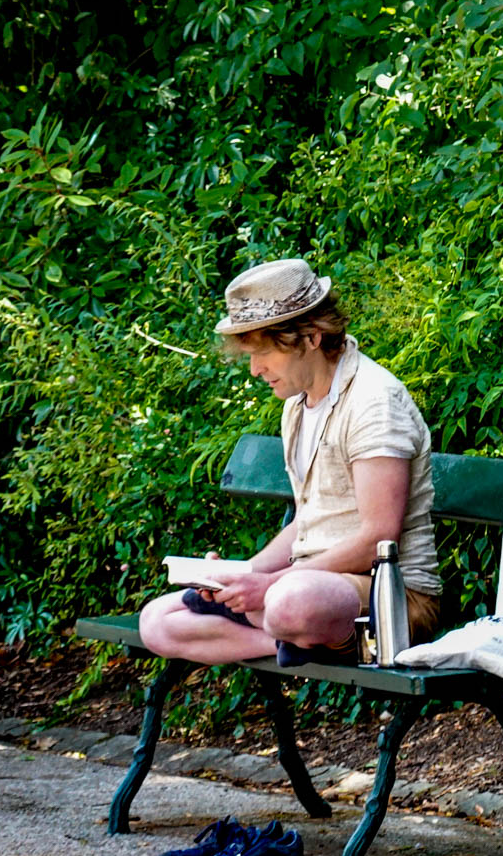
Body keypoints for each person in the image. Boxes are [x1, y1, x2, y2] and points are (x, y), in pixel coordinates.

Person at [139, 258, 443, 666]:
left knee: (288, 603)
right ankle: (285, 643)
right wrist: (242, 574)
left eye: (264, 352)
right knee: (157, 622)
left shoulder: (374, 402)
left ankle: (293, 631)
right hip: (308, 586)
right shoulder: (298, 406)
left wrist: (268, 586)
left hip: (393, 597)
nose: (255, 369)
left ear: (311, 337)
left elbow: (378, 539)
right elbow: (307, 522)